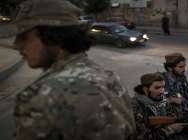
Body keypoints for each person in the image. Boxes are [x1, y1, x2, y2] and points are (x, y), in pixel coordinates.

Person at [0, 0, 135, 140]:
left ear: (53, 37)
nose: (16, 45)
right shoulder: (109, 78)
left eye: (24, 37)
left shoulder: (40, 96)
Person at [133, 72, 188, 140]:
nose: (162, 91)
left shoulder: (160, 99)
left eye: (163, 87)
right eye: (157, 88)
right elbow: (141, 137)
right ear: (145, 89)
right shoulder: (136, 106)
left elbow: (170, 116)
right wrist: (170, 129)